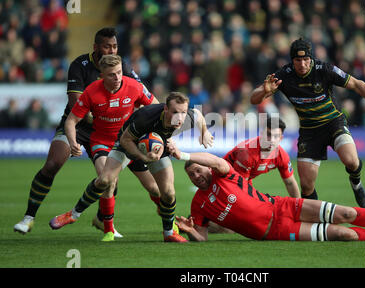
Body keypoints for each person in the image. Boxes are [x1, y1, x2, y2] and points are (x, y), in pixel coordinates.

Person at [13, 27, 151, 236]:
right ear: (96, 47)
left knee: (108, 176)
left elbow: (140, 91)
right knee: (53, 163)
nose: (112, 50)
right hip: (77, 125)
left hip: (107, 127)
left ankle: (102, 219)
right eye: (107, 46)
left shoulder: (121, 65)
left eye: (114, 46)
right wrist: (102, 114)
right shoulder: (80, 65)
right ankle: (29, 218)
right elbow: (75, 102)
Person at [168, 143, 365, 242]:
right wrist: (190, 231)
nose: (197, 175)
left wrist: (185, 155)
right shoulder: (197, 205)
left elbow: (215, 161)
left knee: (346, 213)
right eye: (191, 174)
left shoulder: (224, 173)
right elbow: (202, 238)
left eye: (198, 170)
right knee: (343, 234)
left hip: (282, 206)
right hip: (274, 232)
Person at [250, 37, 365, 208]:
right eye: (298, 60)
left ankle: (356, 183)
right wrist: (264, 91)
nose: (303, 64)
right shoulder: (283, 75)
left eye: (306, 59)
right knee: (306, 186)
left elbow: (357, 84)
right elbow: (254, 99)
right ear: (292, 60)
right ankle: (316, 221)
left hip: (333, 122)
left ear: (311, 59)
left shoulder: (324, 69)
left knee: (351, 161)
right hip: (309, 131)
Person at [49, 92, 214, 242]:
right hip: (127, 145)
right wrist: (143, 157)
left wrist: (204, 132)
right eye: (175, 112)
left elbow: (198, 115)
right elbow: (126, 140)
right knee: (105, 180)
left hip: (155, 148)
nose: (180, 117)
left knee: (169, 193)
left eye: (183, 112)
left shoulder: (186, 118)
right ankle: (73, 214)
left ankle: (169, 233)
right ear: (165, 109)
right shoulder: (146, 117)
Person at [63, 54, 160, 238]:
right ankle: (108, 229)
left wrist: (162, 134)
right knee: (107, 181)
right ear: (101, 75)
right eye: (111, 75)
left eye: (119, 73)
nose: (117, 78)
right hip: (103, 144)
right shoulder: (91, 92)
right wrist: (72, 141)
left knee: (155, 189)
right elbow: (71, 121)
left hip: (130, 142)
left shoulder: (135, 86)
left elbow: (156, 108)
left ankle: (168, 220)